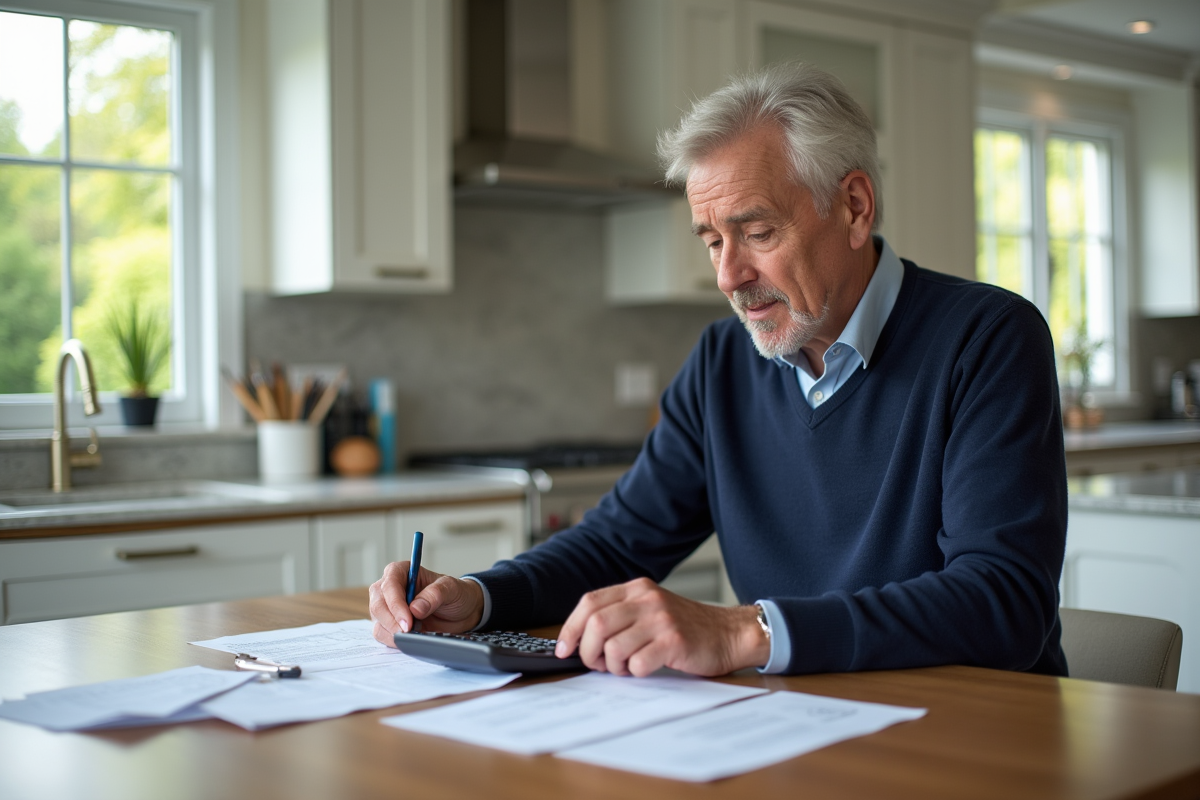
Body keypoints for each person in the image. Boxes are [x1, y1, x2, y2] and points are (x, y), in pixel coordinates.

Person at [369, 62, 1068, 679]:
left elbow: (1003, 599)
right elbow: (619, 540)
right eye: (711, 241)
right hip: (806, 725)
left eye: (758, 232)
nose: (730, 275)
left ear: (854, 207)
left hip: (972, 727)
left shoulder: (988, 339)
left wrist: (743, 630)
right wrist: (481, 596)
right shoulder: (721, 362)